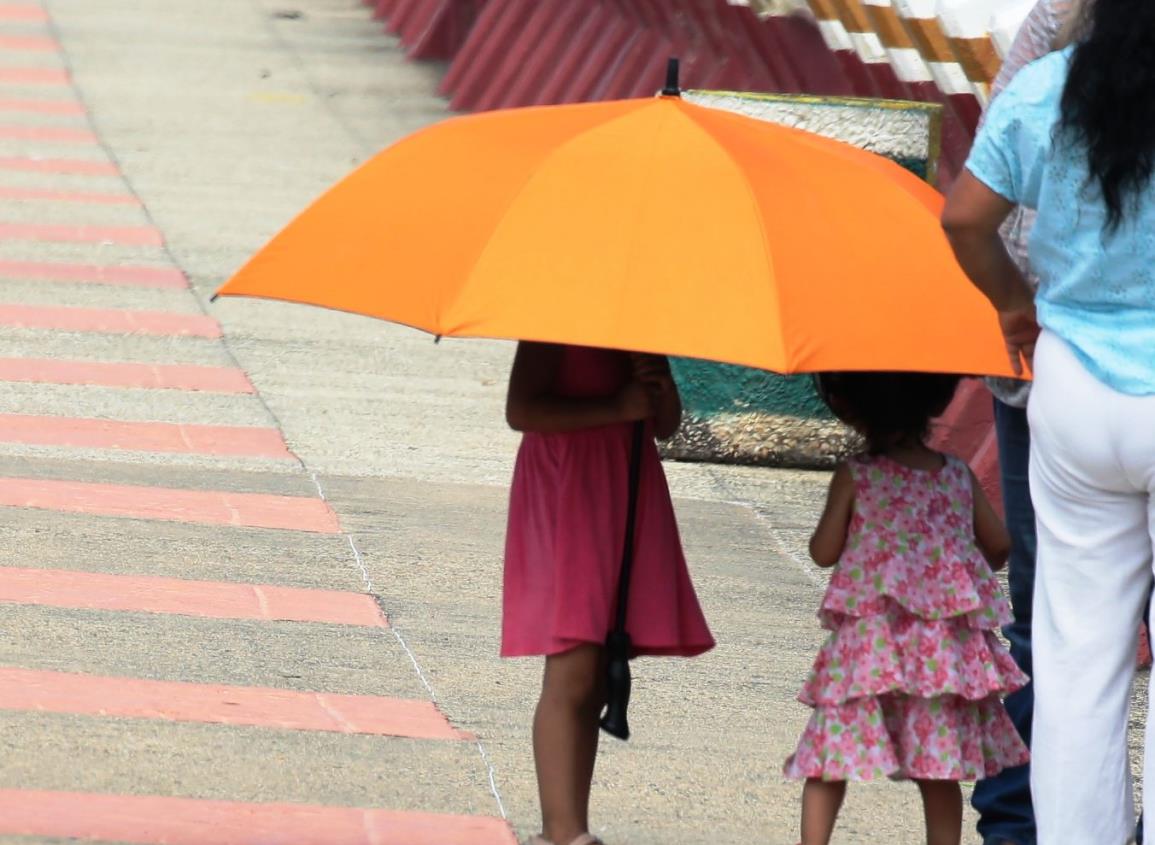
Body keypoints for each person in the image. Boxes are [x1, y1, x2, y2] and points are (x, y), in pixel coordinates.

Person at [942, 0, 1155, 838]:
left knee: (1073, 660)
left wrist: (1011, 304)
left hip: (1071, 387)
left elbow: (963, 216)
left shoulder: (1055, 85)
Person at [784, 371, 1029, 845]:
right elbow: (998, 545)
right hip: (942, 656)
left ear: (850, 407)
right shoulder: (956, 474)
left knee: (830, 757)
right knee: (939, 769)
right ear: (935, 400)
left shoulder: (858, 475)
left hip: (869, 652)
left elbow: (824, 550)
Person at [503, 342, 715, 845]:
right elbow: (522, 409)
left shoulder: (640, 330)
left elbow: (664, 425)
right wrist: (616, 408)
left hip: (621, 484)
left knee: (597, 673)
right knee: (573, 663)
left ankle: (571, 827)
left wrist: (656, 389)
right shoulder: (553, 323)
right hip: (566, 486)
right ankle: (561, 830)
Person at [967, 3, 1088, 843]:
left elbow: (969, 210)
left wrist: (1013, 311)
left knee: (1048, 620)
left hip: (1048, 370)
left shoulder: (1051, 51)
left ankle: (1017, 823)